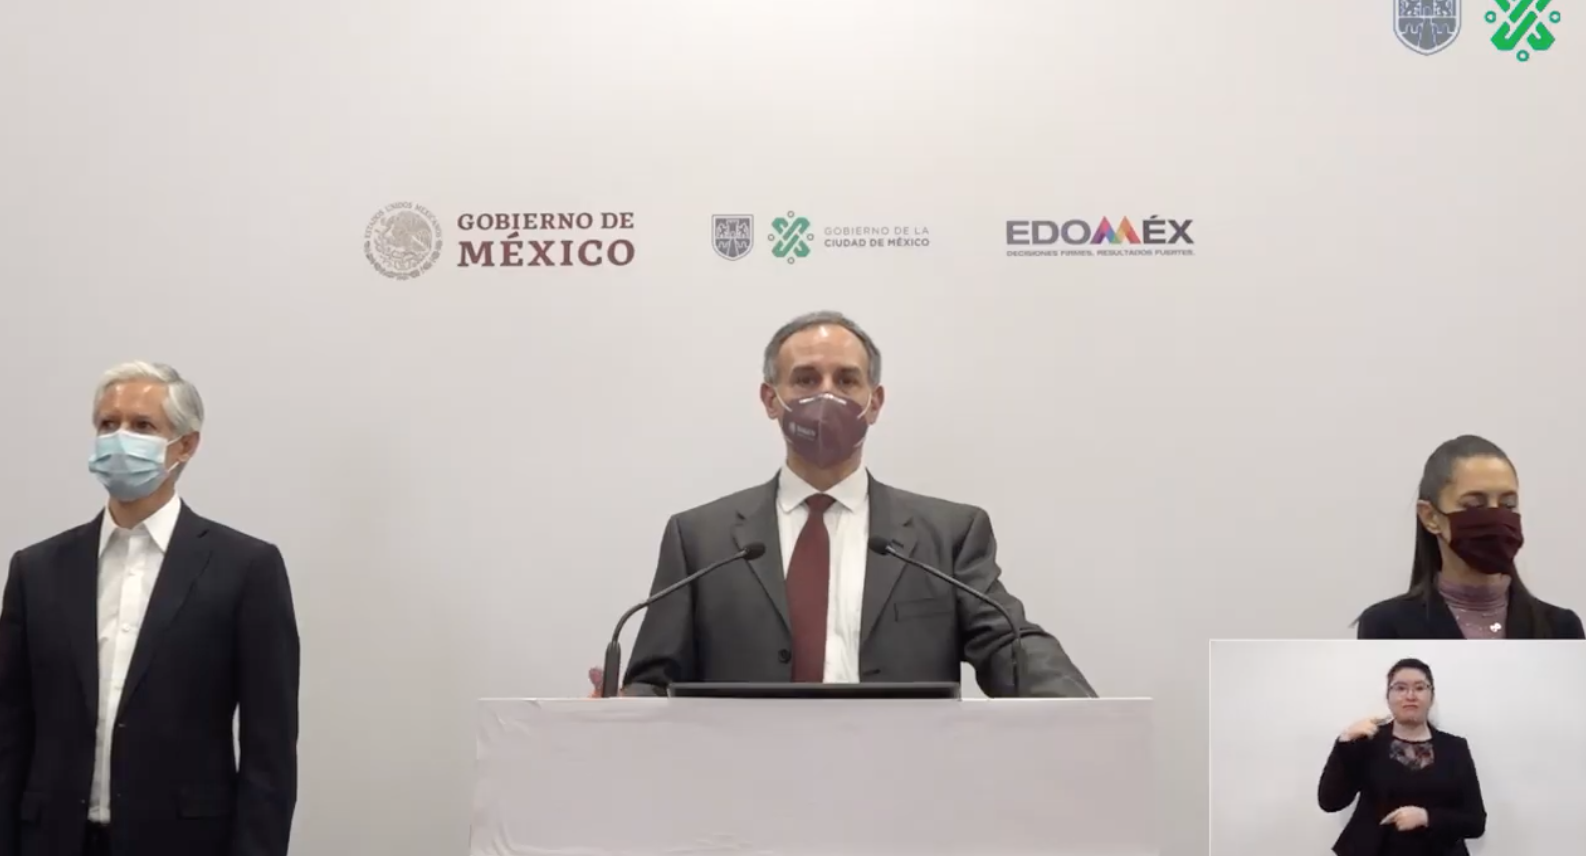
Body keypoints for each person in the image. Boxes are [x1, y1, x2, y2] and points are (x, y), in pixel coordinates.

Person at [620, 311, 1094, 697]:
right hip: (747, 777)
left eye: (847, 380)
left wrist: (1078, 711)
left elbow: (1008, 644)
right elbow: (654, 681)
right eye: (806, 379)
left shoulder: (947, 535)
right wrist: (623, 710)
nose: (826, 395)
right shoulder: (700, 539)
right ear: (770, 399)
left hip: (899, 775)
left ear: (875, 402)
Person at [0, 362, 299, 856]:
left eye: (142, 426)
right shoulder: (37, 570)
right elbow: (11, 731)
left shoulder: (245, 569)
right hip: (52, 838)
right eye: (108, 424)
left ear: (185, 445)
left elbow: (270, 749)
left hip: (184, 840)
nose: (120, 439)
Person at [1355, 435, 1583, 639]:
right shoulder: (1386, 625)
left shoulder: (1561, 628)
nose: (1495, 516)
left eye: (1508, 504)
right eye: (1474, 505)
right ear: (1430, 517)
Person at [1318, 658, 1486, 856]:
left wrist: (1427, 817)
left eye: (1420, 687)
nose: (1410, 695)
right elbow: (1330, 802)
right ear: (1388, 697)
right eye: (1400, 688)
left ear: (1431, 696)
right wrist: (1344, 742)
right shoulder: (1368, 742)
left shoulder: (1455, 748)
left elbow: (1476, 822)